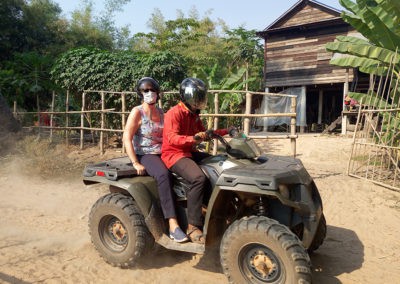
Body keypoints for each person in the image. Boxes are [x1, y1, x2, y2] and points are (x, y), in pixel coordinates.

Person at [161, 77, 229, 244]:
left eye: (201, 96)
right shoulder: (173, 113)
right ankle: (192, 225)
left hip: (188, 152)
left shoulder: (194, 114)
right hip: (174, 155)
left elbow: (204, 133)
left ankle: (211, 207)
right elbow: (172, 138)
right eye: (197, 97)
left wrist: (227, 130)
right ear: (187, 96)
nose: (199, 100)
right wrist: (193, 139)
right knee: (198, 177)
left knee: (217, 163)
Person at [122, 77, 188, 243]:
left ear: (158, 93)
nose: (149, 93)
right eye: (145, 90)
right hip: (145, 154)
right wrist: (135, 162)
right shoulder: (137, 112)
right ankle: (173, 224)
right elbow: (126, 137)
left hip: (163, 151)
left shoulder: (161, 113)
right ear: (140, 93)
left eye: (152, 90)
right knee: (163, 175)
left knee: (185, 168)